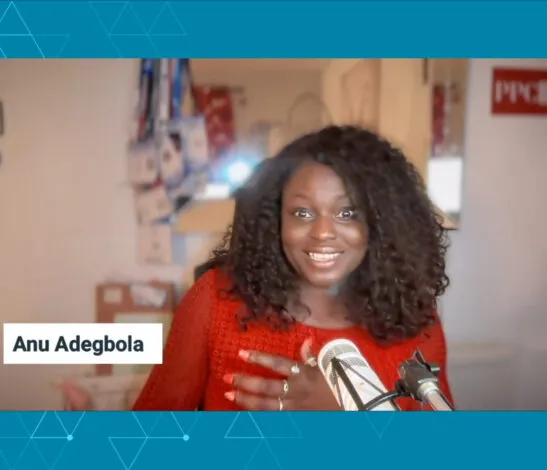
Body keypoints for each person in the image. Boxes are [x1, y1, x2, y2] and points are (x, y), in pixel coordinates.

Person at [62, 125, 454, 411]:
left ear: (381, 222)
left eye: (347, 212)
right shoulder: (215, 301)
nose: (321, 232)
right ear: (275, 219)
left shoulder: (416, 321)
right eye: (302, 212)